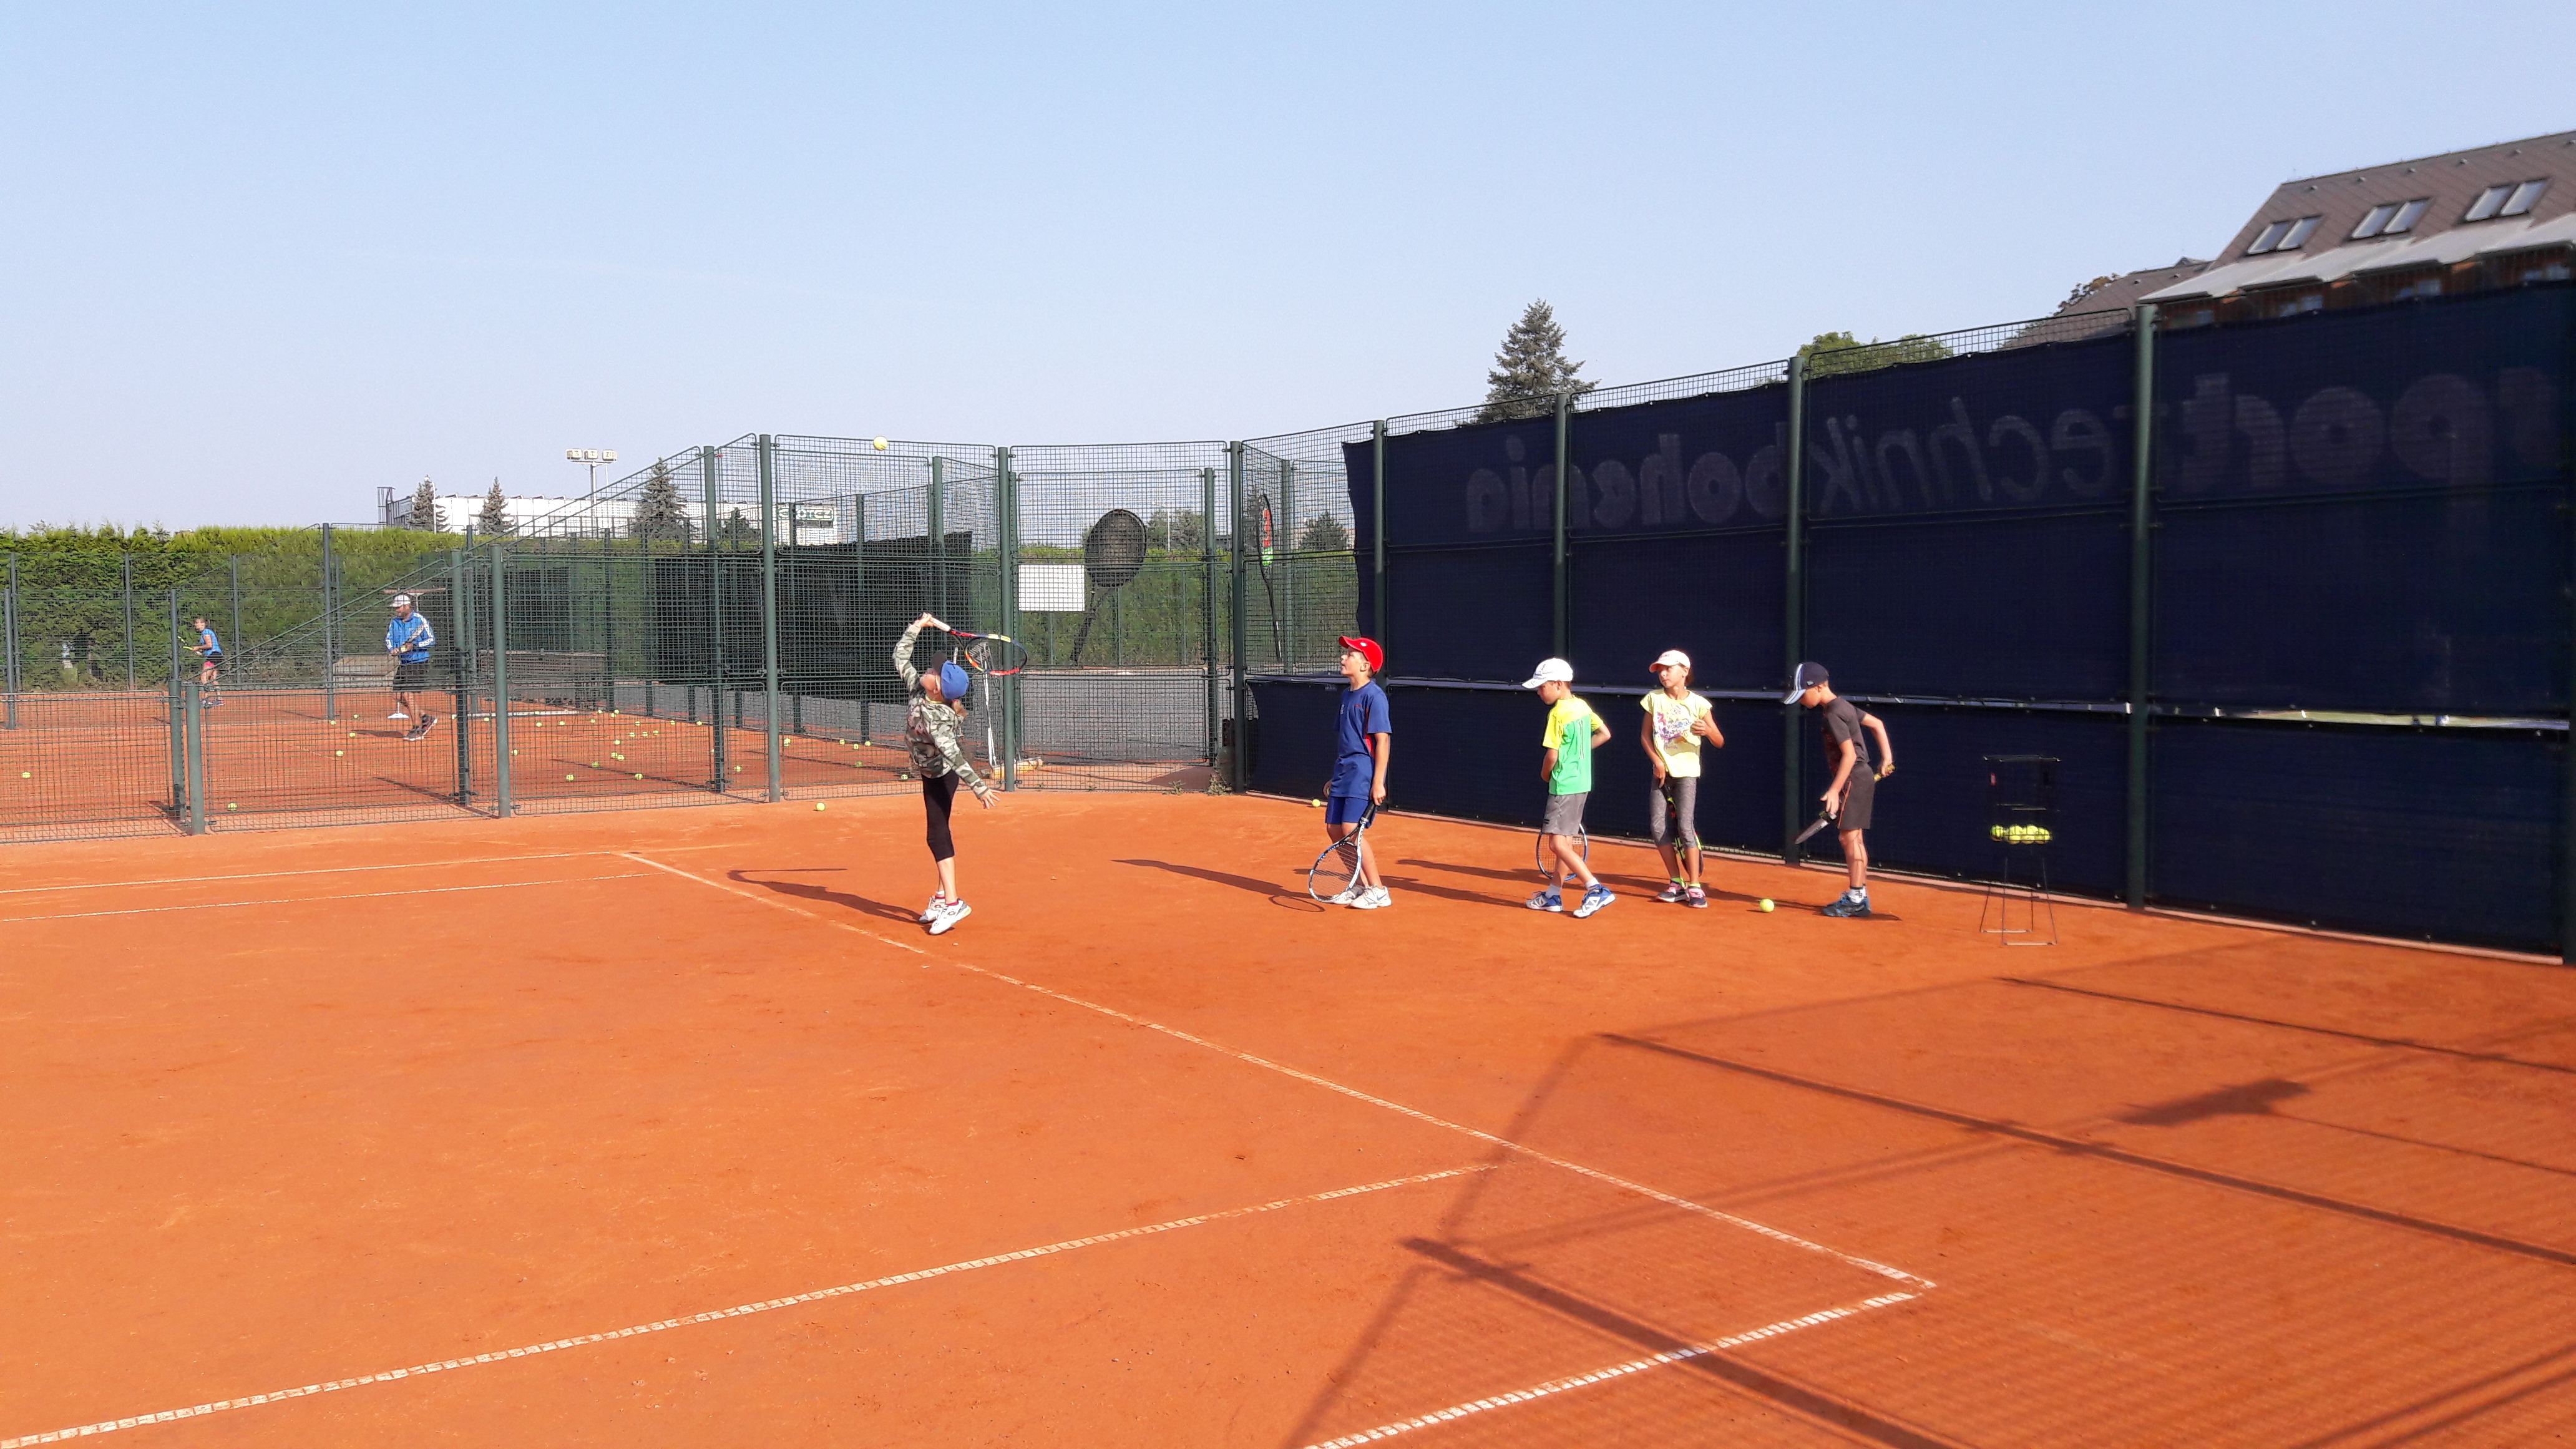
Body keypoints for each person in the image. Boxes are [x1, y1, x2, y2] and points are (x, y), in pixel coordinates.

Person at [895, 613, 997, 935]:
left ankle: (953, 903)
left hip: (943, 775)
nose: (928, 670)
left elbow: (955, 756)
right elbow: (900, 657)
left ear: (938, 689)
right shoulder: (918, 689)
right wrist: (917, 627)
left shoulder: (938, 718)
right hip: (929, 773)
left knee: (936, 835)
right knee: (939, 832)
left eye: (933, 672)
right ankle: (941, 898)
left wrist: (979, 788)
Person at [1787, 661, 1895, 917]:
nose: (1801, 700)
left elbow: (1850, 755)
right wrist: (1887, 758)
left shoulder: (1833, 714)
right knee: (1854, 838)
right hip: (1859, 777)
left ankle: (1856, 898)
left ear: (1819, 687)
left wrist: (1835, 790)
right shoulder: (1842, 706)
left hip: (1854, 778)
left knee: (1850, 838)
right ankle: (1859, 896)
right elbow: (1878, 724)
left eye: (1803, 694)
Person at [1523, 658, 1613, 918]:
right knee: (1564, 842)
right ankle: (1553, 895)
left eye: (1542, 686)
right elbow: (1605, 734)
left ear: (1559, 684)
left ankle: (1596, 889)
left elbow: (1552, 755)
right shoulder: (1582, 707)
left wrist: (1545, 775)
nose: (1539, 692)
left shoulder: (1557, 714)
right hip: (1582, 783)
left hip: (1563, 785)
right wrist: (1577, 754)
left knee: (1556, 844)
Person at [1641, 650, 1721, 907]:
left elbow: (1719, 741)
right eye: (1660, 670)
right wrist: (1657, 762)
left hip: (1687, 774)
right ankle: (1676, 882)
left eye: (1669, 669)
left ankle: (1695, 886)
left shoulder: (1699, 704)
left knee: (1686, 827)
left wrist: (1708, 731)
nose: (1663, 674)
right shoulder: (1653, 699)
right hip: (1661, 774)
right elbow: (1645, 736)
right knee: (1658, 827)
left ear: (1684, 671)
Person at [1323, 635, 1393, 909]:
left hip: (1363, 771)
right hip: (1344, 769)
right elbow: (1347, 739)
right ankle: (1359, 884)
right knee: (1333, 829)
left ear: (1365, 666)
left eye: (1350, 655)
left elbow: (1382, 741)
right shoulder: (1346, 695)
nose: (1343, 657)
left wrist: (1378, 782)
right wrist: (1336, 775)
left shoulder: (1375, 697)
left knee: (1351, 829)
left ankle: (1378, 890)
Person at [385, 594, 437, 741]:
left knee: (408, 695)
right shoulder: (395, 622)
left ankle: (417, 728)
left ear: (407, 606)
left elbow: (431, 640)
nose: (397, 610)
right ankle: (426, 718)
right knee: (397, 696)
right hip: (404, 662)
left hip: (419, 661)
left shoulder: (420, 620)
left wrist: (414, 645)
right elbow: (389, 638)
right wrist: (393, 649)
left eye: (399, 607)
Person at [189, 616, 225, 706]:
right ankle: (220, 700)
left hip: (213, 655)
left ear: (203, 624)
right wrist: (200, 651)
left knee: (204, 677)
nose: (195, 625)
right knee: (213, 679)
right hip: (217, 655)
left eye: (197, 623)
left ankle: (206, 699)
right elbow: (208, 647)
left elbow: (209, 645)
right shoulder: (207, 632)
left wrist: (198, 647)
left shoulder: (206, 632)